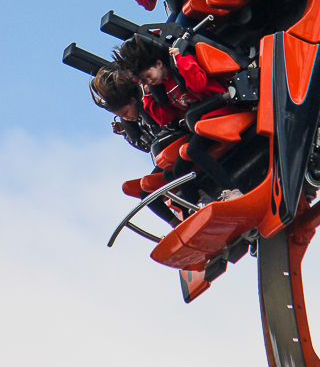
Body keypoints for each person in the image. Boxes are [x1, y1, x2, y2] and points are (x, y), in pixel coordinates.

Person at [115, 36, 242, 202]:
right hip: (201, 123)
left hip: (220, 110)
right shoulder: (161, 87)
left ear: (159, 64)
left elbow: (199, 84)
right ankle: (198, 203)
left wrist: (179, 61)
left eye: (148, 75)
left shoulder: (180, 64)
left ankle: (232, 190)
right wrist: (147, 93)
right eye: (145, 80)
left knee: (193, 150)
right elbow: (163, 118)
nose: (149, 80)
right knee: (176, 170)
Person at [90, 68, 179, 227]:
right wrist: (127, 133)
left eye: (125, 112)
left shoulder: (149, 107)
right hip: (167, 158)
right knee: (146, 194)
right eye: (122, 116)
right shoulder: (137, 121)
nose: (126, 117)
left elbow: (169, 125)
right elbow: (148, 146)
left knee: (160, 177)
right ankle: (177, 224)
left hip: (178, 145)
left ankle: (197, 200)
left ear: (133, 101)